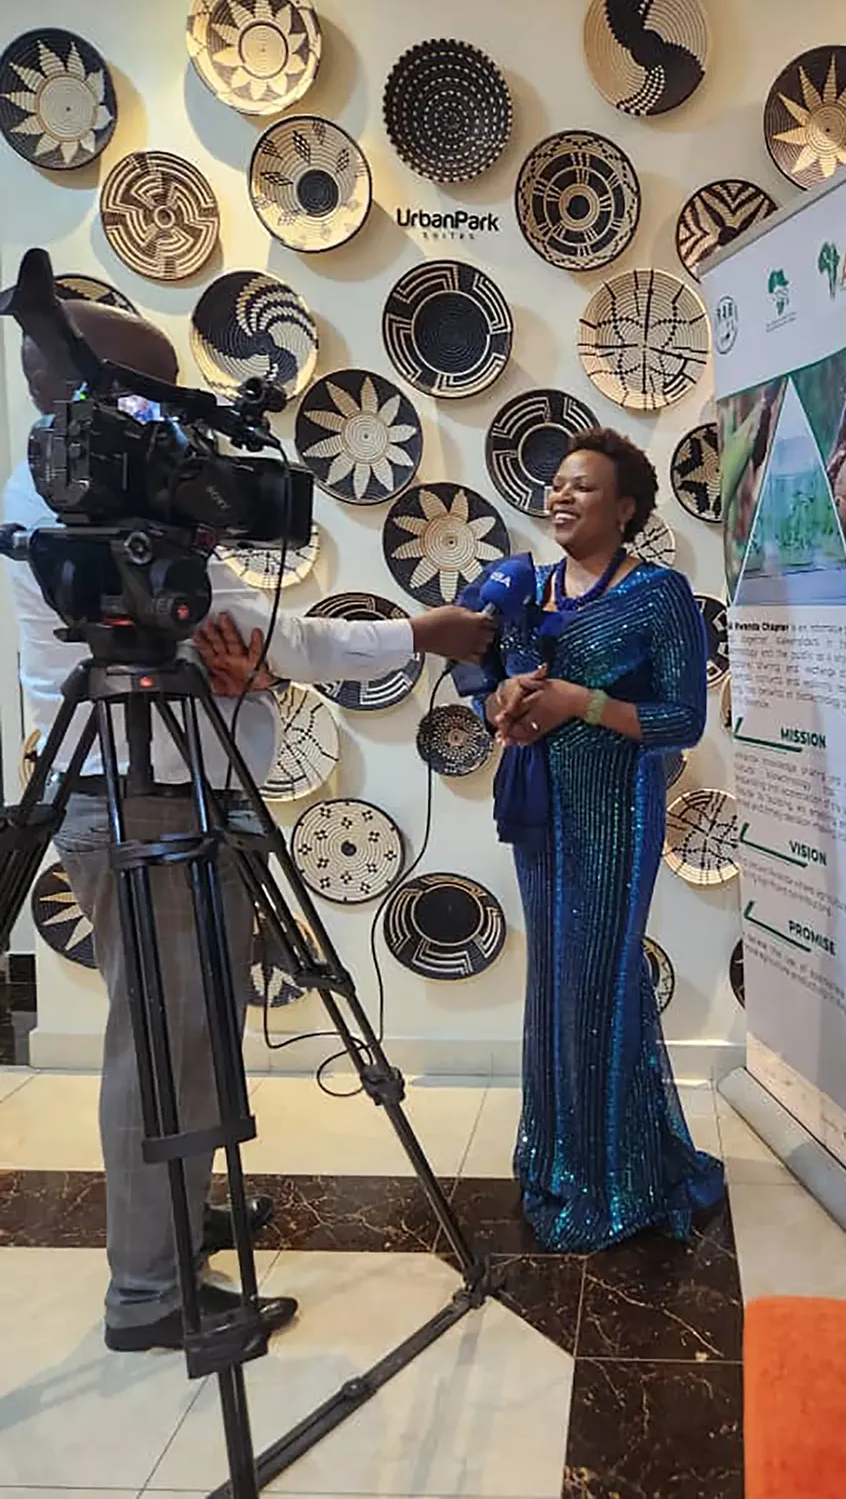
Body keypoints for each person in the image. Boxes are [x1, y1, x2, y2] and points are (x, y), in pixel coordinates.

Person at [3, 300, 493, 1351]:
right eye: (152, 402)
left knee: (194, 1032)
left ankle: (180, 1219)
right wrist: (418, 633)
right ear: (92, 398)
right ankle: (150, 1292)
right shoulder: (75, 505)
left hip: (180, 793)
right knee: (163, 1048)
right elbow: (261, 638)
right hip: (145, 800)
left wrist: (250, 657)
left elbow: (235, 646)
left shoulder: (97, 496)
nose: (171, 429)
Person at [473, 428, 725, 1250]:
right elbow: (487, 689)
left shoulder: (659, 593)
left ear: (625, 509)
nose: (561, 495)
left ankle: (614, 1182)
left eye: (582, 485)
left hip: (617, 815)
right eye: (557, 483)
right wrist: (504, 702)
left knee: (599, 989)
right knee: (554, 985)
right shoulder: (525, 589)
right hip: (539, 815)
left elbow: (682, 718)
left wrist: (582, 703)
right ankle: (561, 1160)